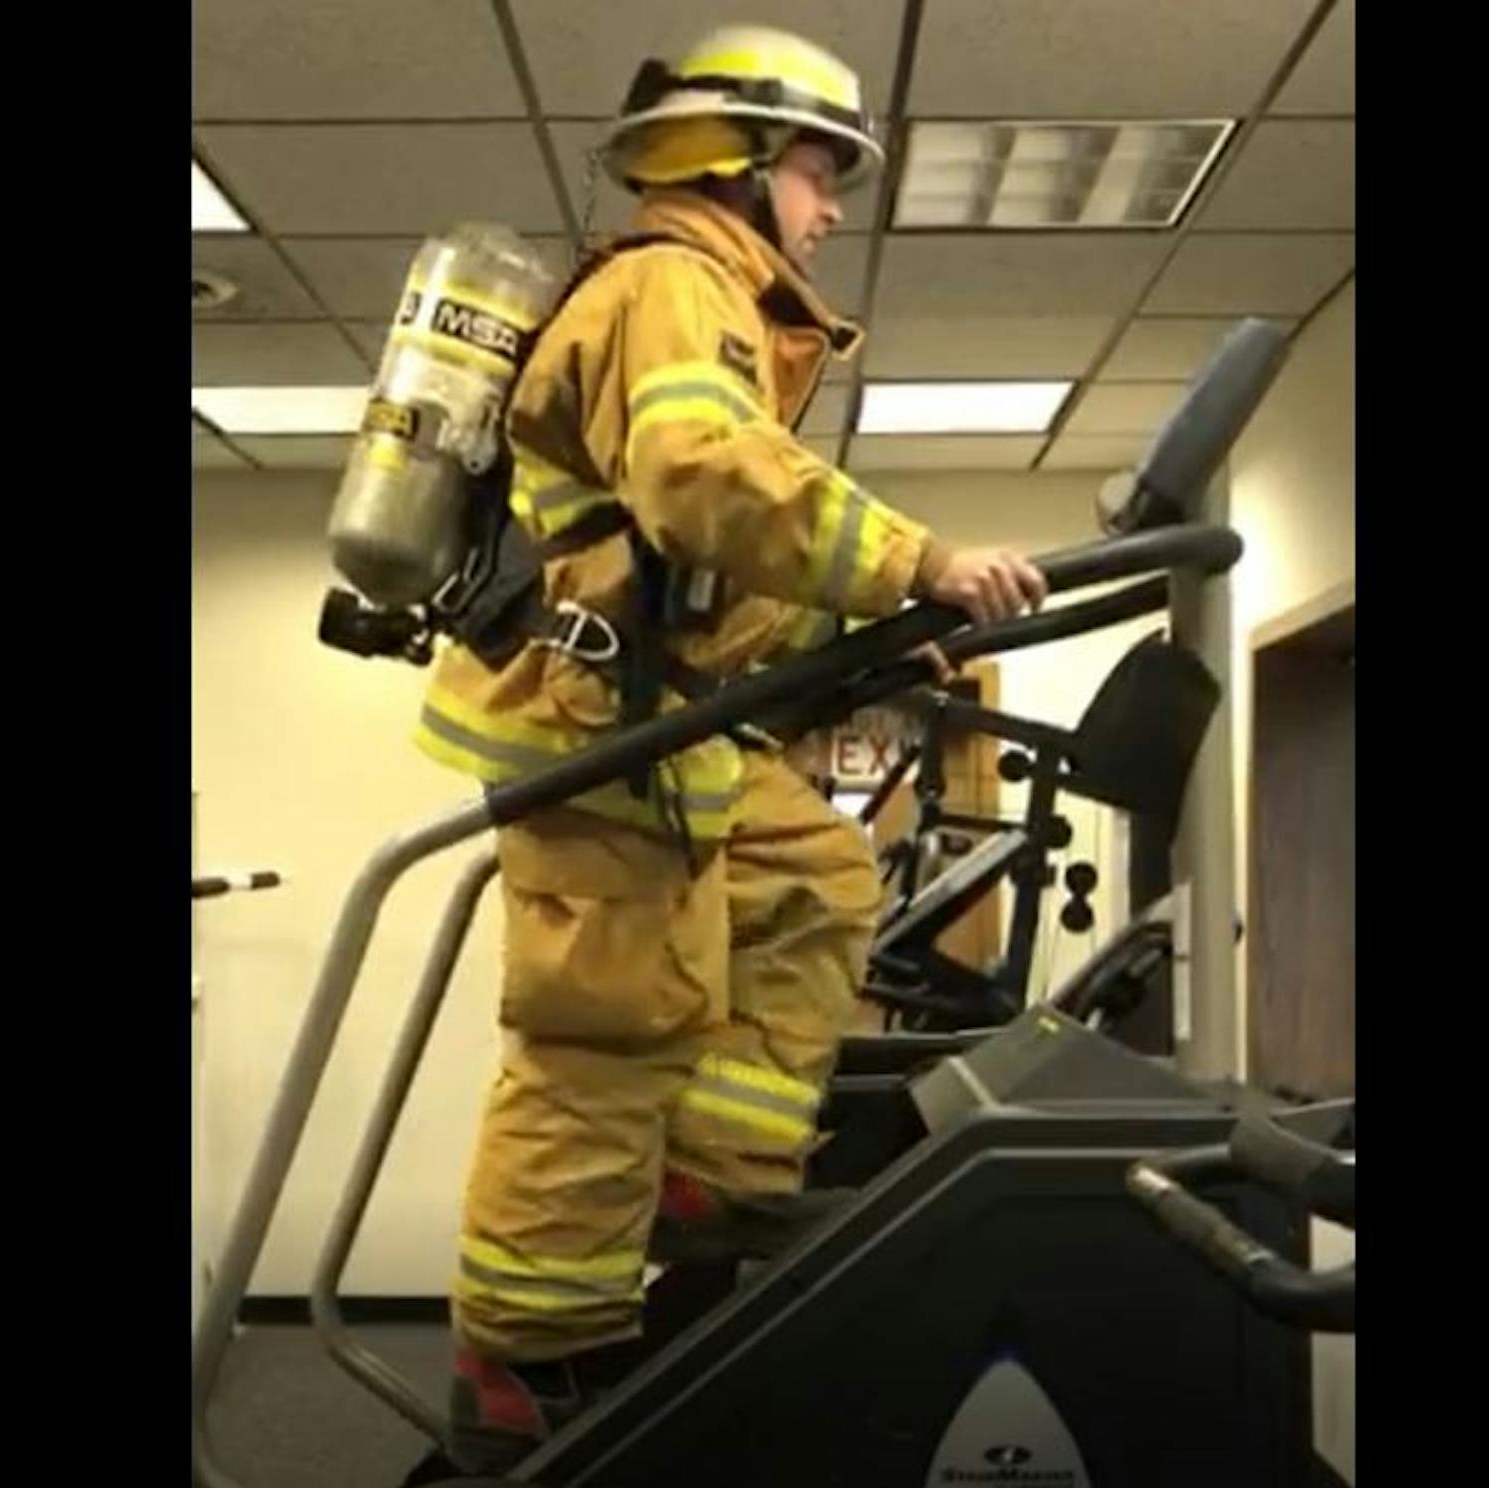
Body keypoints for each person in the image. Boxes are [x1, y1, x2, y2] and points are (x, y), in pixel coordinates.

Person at [404, 24, 1046, 1480]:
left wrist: (868, 648)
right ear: (735, 165)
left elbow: (694, 579)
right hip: (587, 732)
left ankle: (714, 1184)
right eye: (820, 174)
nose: (830, 211)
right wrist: (918, 561)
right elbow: (704, 481)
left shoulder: (709, 297)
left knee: (817, 878)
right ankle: (521, 1366)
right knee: (605, 1041)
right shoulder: (674, 281)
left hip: (655, 729)